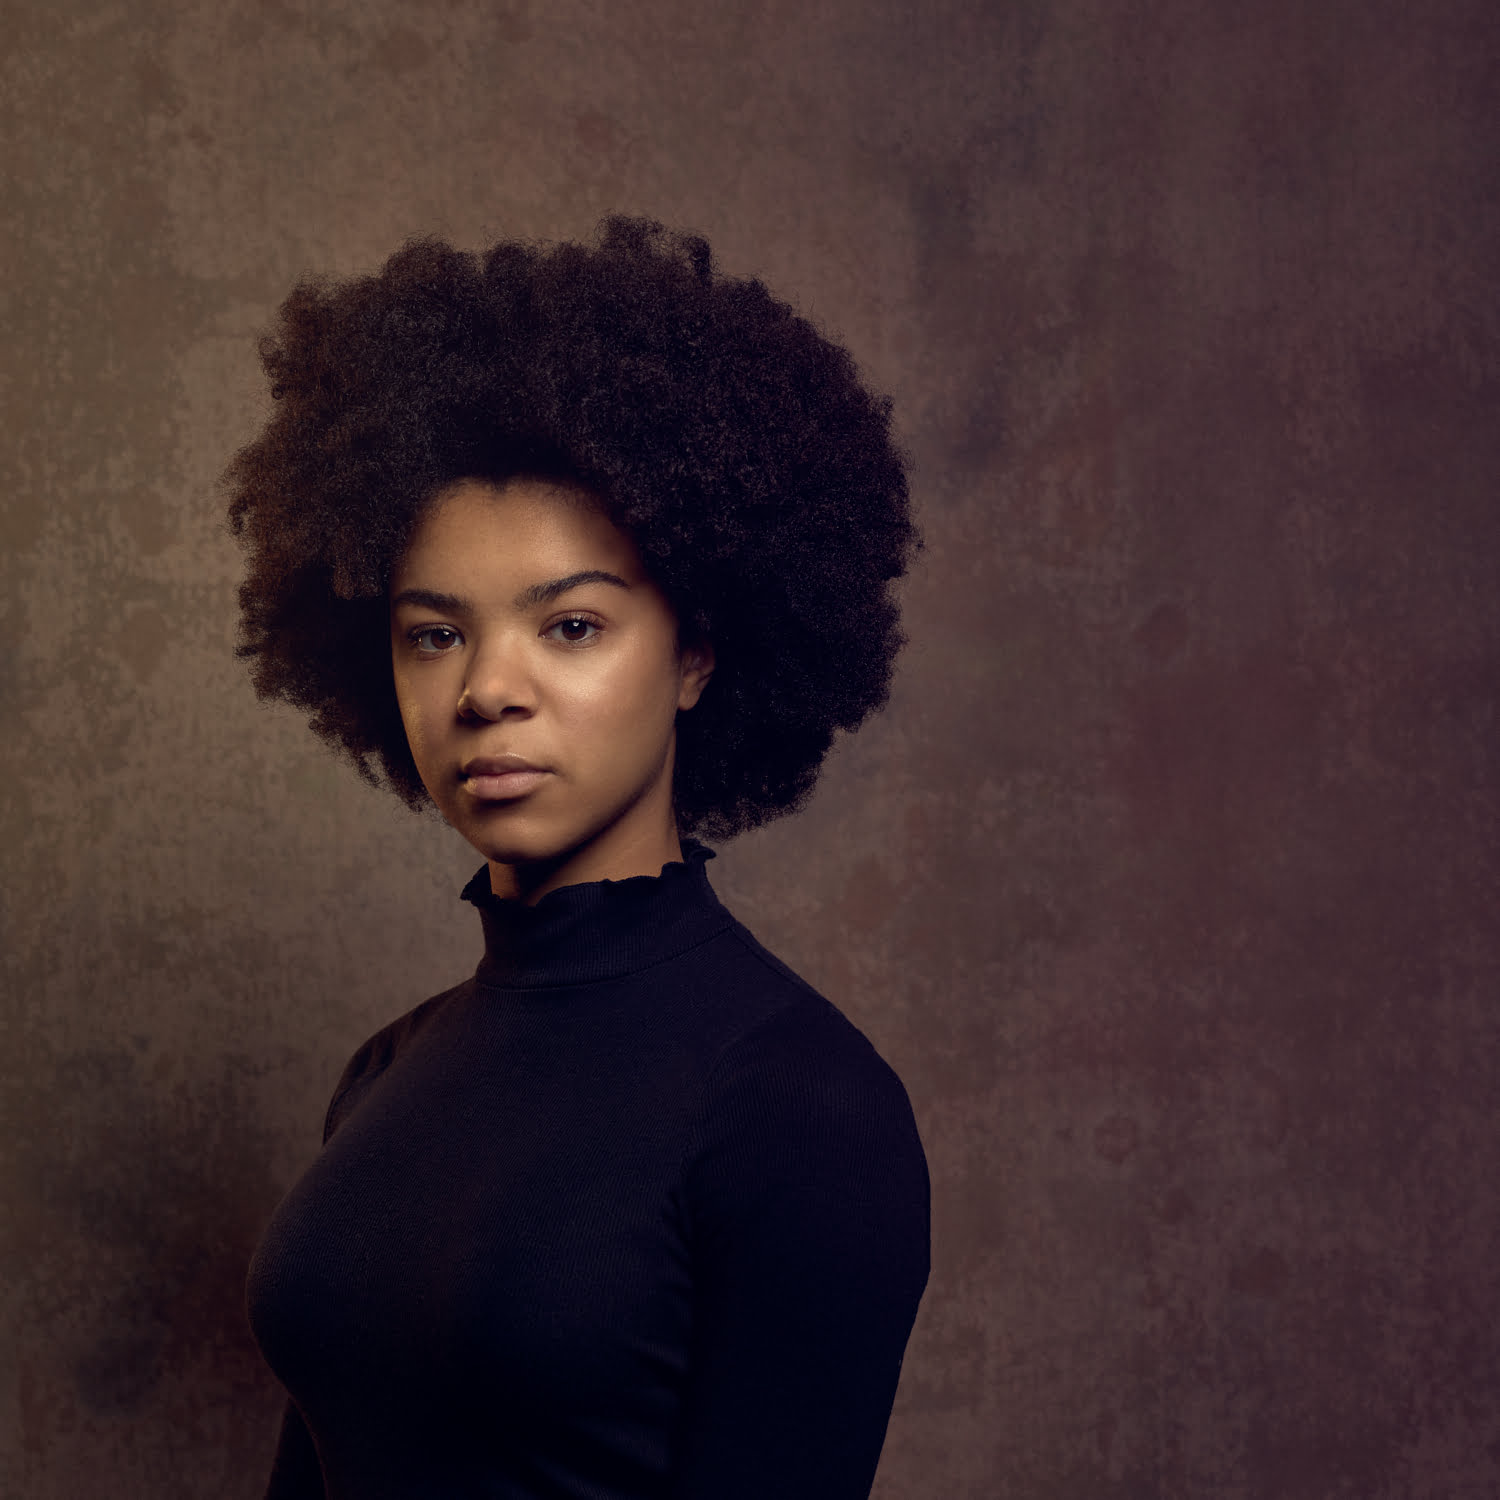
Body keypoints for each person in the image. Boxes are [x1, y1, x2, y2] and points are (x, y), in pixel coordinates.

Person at [229, 216, 930, 1500]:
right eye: (434, 635)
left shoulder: (800, 1106)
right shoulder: (385, 1071)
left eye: (570, 625)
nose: (491, 689)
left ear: (698, 655)